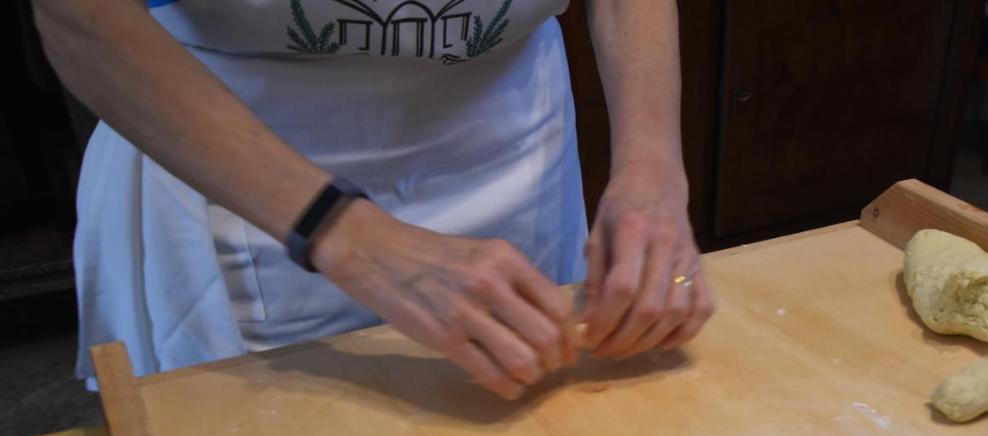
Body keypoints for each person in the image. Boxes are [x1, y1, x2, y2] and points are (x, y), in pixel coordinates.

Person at [33, 0, 715, 398]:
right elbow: (78, 14)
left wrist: (652, 166)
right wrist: (343, 232)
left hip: (507, 148)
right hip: (234, 162)